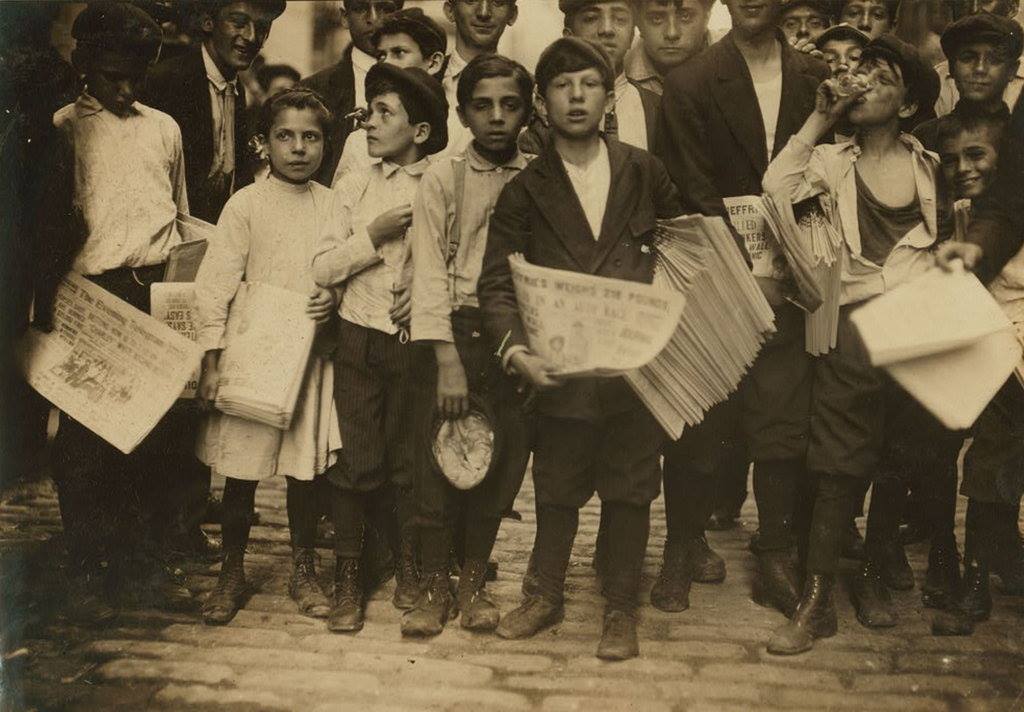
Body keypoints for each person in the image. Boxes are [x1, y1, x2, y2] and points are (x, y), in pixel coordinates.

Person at [478, 37, 681, 661]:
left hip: (632, 373)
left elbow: (683, 250)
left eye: (589, 84)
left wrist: (664, 323)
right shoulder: (525, 190)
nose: (575, 97)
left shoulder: (643, 171)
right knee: (557, 489)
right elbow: (495, 281)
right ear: (541, 102)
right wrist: (517, 352)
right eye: (562, 86)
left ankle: (621, 609)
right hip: (561, 372)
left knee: (629, 492)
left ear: (609, 96)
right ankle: (543, 594)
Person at [762, 35, 943, 655]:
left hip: (916, 329)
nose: (862, 83)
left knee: (894, 457)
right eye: (860, 72)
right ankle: (816, 603)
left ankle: (868, 577)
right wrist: (819, 115)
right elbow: (775, 186)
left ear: (911, 105)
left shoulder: (929, 170)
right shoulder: (831, 162)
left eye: (882, 78)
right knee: (838, 462)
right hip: (850, 329)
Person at [656, 0, 829, 622]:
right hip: (717, 276)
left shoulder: (816, 78)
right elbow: (691, 188)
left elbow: (825, 177)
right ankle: (681, 544)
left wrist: (793, 267)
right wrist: (744, 273)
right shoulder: (692, 81)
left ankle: (776, 551)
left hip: (792, 279)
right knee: (703, 418)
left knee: (781, 416)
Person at [50, 1, 193, 621]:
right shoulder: (61, 128)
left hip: (153, 291)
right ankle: (87, 563)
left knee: (155, 436)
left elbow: (181, 216)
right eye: (113, 75)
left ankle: (144, 563)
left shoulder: (164, 128)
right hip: (89, 295)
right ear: (84, 64)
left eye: (138, 74)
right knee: (86, 437)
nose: (127, 88)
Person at [142, 0, 287, 564]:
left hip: (209, 255)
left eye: (263, 26)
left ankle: (182, 520)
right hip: (167, 254)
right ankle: (156, 524)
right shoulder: (171, 82)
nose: (252, 37)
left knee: (200, 387)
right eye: (239, 22)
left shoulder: (237, 89)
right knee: (167, 395)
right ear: (208, 22)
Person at [194, 89, 343, 626]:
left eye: (311, 137)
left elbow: (344, 270)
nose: (298, 148)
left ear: (326, 144)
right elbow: (214, 287)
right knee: (241, 469)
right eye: (286, 136)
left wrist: (334, 298)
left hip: (309, 354)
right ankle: (231, 569)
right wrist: (212, 361)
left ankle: (304, 568)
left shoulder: (333, 205)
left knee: (306, 473)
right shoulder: (245, 204)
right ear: (263, 143)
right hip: (254, 348)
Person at [400, 54, 535, 637]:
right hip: (456, 333)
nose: (497, 117)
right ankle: (433, 584)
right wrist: (447, 360)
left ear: (528, 111)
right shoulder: (443, 176)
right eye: (483, 106)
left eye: (510, 105)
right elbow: (429, 269)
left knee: (497, 462)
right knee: (440, 462)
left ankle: (473, 582)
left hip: (515, 337)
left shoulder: (539, 175)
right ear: (462, 112)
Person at [313, 64, 449, 634]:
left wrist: (422, 293)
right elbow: (321, 266)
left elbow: (454, 259)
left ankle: (410, 567)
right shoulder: (353, 186)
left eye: (385, 113)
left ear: (419, 131)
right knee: (356, 460)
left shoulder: (443, 183)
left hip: (415, 346)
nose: (369, 122)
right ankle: (348, 575)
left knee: (411, 462)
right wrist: (373, 236)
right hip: (358, 338)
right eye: (369, 111)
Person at [932, 111, 1023, 633]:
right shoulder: (991, 206)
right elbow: (1005, 213)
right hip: (1010, 325)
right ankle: (975, 584)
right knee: (994, 455)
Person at [332, 8, 448, 183]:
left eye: (399, 52)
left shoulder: (459, 125)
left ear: (433, 62)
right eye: (381, 55)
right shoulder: (360, 142)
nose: (386, 63)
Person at [301, 0, 405, 185]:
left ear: (400, 15)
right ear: (344, 17)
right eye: (360, 8)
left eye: (385, 9)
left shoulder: (426, 86)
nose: (372, 19)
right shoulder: (311, 92)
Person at [920, 12, 1023, 146]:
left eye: (994, 60)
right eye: (967, 58)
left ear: (1012, 70)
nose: (980, 69)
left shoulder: (1019, 137)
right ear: (951, 67)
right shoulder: (926, 138)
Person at [442, 0, 520, 155]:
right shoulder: (421, 81)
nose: (483, 12)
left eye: (498, 2)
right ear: (450, 10)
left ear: (512, 15)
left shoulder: (528, 90)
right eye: (471, 1)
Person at [935, 1, 1024, 117]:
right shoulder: (936, 79)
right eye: (964, 1)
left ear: (1012, 8)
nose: (974, 9)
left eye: (985, 0)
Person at [626, 0, 715, 96]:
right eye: (656, 18)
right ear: (638, 22)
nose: (671, 33)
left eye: (685, 16)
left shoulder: (732, 61)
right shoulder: (619, 66)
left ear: (706, 17)